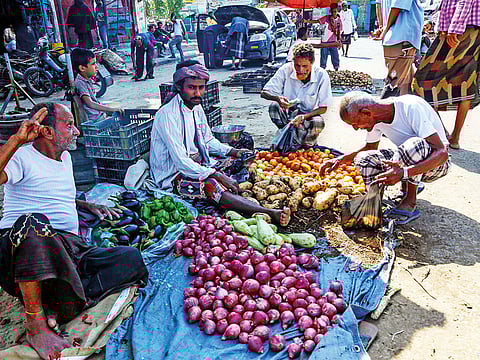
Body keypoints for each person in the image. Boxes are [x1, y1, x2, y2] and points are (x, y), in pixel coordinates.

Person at [0, 103, 148, 360]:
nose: (77, 131)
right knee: (35, 223)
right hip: (23, 248)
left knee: (130, 258)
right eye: (68, 125)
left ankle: (57, 306)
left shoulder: (65, 158)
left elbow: (55, 194)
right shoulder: (22, 157)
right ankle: (35, 324)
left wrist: (85, 204)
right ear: (46, 132)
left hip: (66, 250)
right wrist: (16, 139)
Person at [149, 60, 291, 226]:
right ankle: (270, 213)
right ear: (180, 87)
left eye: (200, 87)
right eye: (191, 87)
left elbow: (207, 140)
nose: (197, 93)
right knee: (211, 185)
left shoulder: (196, 107)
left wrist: (234, 152)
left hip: (196, 162)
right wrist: (215, 174)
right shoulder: (167, 115)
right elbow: (181, 162)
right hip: (172, 176)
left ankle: (236, 196)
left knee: (241, 154)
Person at [320, 92, 450, 224]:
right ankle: (374, 203)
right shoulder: (374, 119)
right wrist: (341, 159)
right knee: (364, 158)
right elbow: (370, 148)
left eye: (355, 123)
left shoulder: (410, 108)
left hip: (437, 164)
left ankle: (410, 201)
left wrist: (404, 173)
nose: (355, 128)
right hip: (407, 159)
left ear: (366, 112)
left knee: (415, 145)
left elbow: (442, 152)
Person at [412, 0, 480, 150]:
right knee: (465, 80)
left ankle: (440, 133)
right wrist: (441, 26)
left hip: (462, 31)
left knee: (422, 80)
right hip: (466, 29)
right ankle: (453, 136)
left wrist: (454, 28)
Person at [261, 43, 332, 146]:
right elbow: (264, 92)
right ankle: (288, 135)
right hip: (288, 113)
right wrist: (277, 98)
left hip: (308, 115)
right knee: (274, 106)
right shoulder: (286, 69)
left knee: (318, 123)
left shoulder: (321, 75)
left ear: (312, 63)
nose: (301, 70)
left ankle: (308, 145)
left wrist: (303, 117)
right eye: (297, 65)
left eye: (305, 66)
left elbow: (323, 108)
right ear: (293, 62)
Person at [373, 0, 423, 97]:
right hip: (403, 36)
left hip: (396, 37)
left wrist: (383, 28)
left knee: (406, 85)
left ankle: (403, 111)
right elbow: (397, 6)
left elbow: (378, 5)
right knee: (394, 85)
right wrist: (385, 29)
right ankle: (381, 110)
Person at [72, 48, 122, 123]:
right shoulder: (80, 83)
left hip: (98, 114)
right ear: (82, 68)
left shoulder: (87, 79)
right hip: (94, 119)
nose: (96, 67)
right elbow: (90, 103)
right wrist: (110, 109)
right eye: (93, 64)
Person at [304, 3, 343, 71]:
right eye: (333, 11)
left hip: (334, 42)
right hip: (324, 42)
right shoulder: (326, 18)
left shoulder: (339, 20)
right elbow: (317, 21)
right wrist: (306, 21)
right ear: (330, 11)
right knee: (323, 58)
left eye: (335, 11)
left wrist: (339, 41)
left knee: (335, 57)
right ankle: (322, 70)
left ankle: (336, 69)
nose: (334, 13)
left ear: (337, 11)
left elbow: (340, 31)